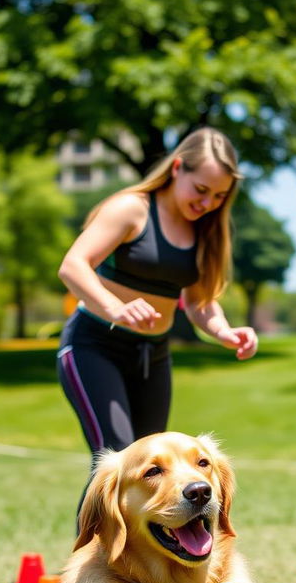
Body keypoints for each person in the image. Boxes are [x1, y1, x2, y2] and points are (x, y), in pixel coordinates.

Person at [57, 126, 256, 499]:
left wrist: (225, 331)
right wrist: (116, 307)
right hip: (94, 346)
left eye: (218, 196)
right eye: (201, 190)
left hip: (153, 355)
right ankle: (95, 559)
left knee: (152, 467)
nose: (207, 203)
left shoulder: (205, 231)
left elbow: (198, 303)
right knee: (115, 460)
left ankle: (148, 558)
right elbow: (73, 266)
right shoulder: (132, 210)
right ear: (178, 167)